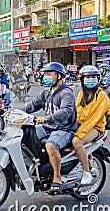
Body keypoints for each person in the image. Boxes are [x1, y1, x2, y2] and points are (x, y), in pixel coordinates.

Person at [19, 62, 78, 194]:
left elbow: (65, 111)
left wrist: (47, 118)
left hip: (64, 128)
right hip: (48, 127)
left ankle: (57, 177)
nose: (46, 77)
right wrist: (13, 112)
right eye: (45, 74)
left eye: (49, 74)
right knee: (23, 135)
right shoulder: (46, 93)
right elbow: (32, 105)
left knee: (50, 145)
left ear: (59, 76)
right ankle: (38, 167)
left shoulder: (66, 93)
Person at [73, 65, 110, 185]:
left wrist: (79, 132)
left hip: (95, 127)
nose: (91, 79)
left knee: (76, 142)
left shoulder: (102, 95)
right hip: (82, 126)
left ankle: (86, 172)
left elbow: (94, 118)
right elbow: (76, 112)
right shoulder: (81, 95)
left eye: (93, 77)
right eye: (88, 77)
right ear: (83, 79)